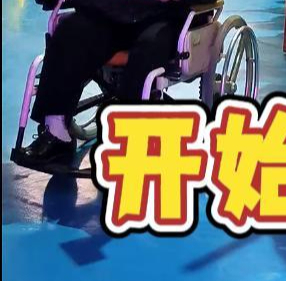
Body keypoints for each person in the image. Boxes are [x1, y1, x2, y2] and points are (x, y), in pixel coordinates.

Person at [13, 0, 207, 168]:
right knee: (69, 32)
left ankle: (130, 137)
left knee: (147, 51)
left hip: (162, 18)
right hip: (111, 15)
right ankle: (57, 133)